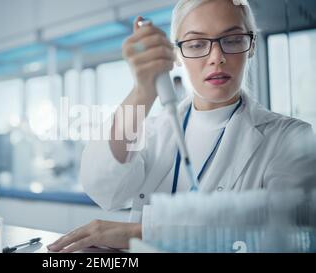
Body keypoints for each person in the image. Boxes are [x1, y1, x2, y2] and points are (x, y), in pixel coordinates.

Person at [47, 0, 316, 253]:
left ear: (252, 45)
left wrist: (140, 232)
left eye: (233, 40)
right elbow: (103, 186)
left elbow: (286, 229)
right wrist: (143, 90)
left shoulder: (288, 136)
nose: (216, 57)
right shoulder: (154, 130)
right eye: (197, 44)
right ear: (177, 54)